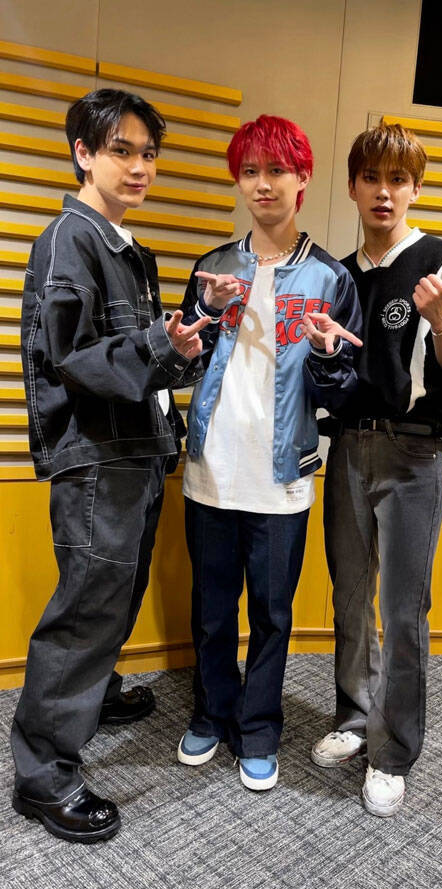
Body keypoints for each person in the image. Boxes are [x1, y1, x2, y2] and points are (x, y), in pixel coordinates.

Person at [11, 88, 209, 843]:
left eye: (148, 153)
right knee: (86, 611)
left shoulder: (123, 247)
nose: (139, 166)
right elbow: (74, 358)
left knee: (111, 600)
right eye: (121, 150)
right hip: (97, 459)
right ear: (83, 153)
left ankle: (93, 693)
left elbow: (139, 361)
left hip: (134, 451)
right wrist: (162, 346)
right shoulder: (71, 238)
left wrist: (180, 347)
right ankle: (43, 776)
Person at [176, 114, 363, 791]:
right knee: (211, 609)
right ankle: (210, 712)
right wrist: (199, 319)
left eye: (276, 170)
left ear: (302, 177)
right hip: (210, 470)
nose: (262, 183)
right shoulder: (213, 267)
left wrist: (326, 354)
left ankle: (258, 727)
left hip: (282, 477)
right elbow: (183, 362)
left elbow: (343, 392)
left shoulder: (331, 278)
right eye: (250, 170)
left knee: (272, 616)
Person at [308, 122, 442, 817]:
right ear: (354, 187)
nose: (384, 192)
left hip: (415, 453)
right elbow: (327, 373)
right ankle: (355, 718)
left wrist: (441, 323)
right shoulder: (339, 276)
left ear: (415, 188)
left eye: (398, 180)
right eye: (372, 178)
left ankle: (392, 752)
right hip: (349, 448)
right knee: (350, 594)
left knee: (403, 609)